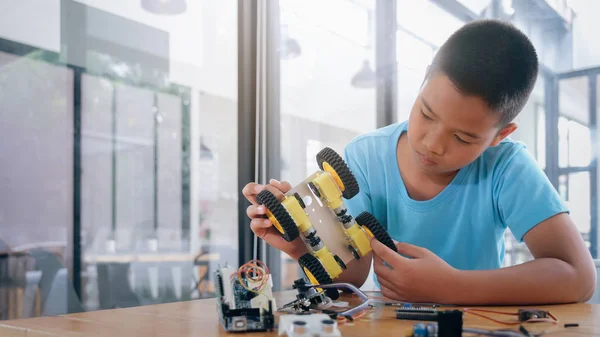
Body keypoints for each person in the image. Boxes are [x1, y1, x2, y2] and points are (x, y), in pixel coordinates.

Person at [242, 19, 597, 305]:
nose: (431, 143)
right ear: (425, 77)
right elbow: (352, 275)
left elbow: (578, 277)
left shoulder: (506, 167)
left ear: (501, 135)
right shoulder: (366, 156)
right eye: (426, 113)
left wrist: (454, 287)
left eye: (463, 138)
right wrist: (303, 243)